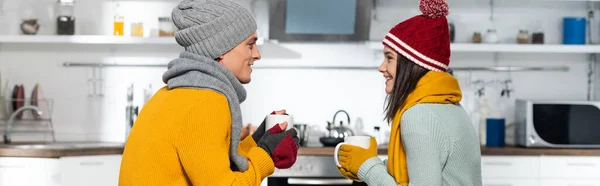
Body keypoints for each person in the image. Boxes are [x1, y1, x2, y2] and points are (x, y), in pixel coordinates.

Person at [118, 0, 299, 185]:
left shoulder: (170, 94)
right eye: (250, 44)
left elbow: (212, 167)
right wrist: (266, 154)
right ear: (220, 49)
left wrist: (258, 141)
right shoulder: (206, 102)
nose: (257, 54)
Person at [335, 0, 482, 185]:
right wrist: (368, 165)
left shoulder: (418, 115)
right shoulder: (452, 107)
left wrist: (368, 167)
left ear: (411, 64)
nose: (382, 67)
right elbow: (423, 170)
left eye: (389, 58)